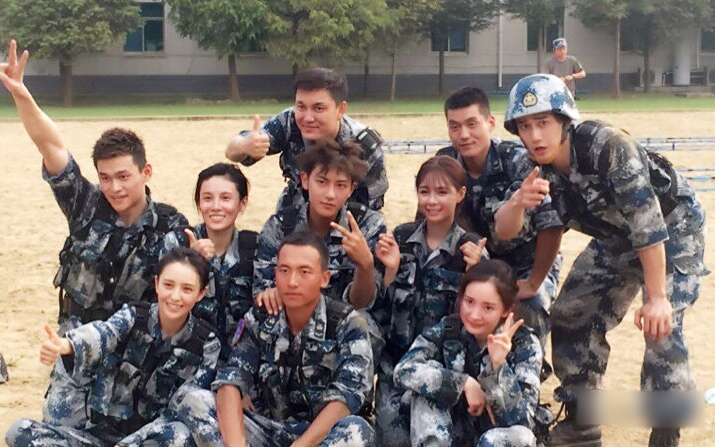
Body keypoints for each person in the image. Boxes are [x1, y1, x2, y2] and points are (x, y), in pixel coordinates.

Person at [497, 73, 708, 447]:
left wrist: (658, 298)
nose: (535, 135)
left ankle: (666, 430)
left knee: (661, 324)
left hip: (673, 229)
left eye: (543, 122)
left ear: (564, 120)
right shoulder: (537, 168)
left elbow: (647, 224)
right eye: (525, 126)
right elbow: (541, 228)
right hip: (616, 239)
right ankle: (583, 421)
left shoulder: (608, 146)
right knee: (571, 312)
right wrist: (532, 275)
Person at [0, 39, 188, 428]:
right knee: (57, 426)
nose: (114, 188)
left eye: (123, 176)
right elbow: (50, 144)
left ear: (146, 172)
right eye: (105, 177)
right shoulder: (85, 206)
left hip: (134, 350)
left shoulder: (171, 226)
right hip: (77, 343)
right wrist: (20, 93)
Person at [173, 231, 375, 447]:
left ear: (324, 278)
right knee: (196, 401)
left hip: (321, 436)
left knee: (356, 430)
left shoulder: (348, 324)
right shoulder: (260, 318)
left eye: (304, 272)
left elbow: (345, 399)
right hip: (269, 429)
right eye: (285, 271)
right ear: (275, 274)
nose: (293, 282)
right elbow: (231, 381)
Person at [5, 247, 220, 447]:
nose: (175, 296)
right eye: (168, 285)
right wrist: (68, 345)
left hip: (144, 441)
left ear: (201, 293)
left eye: (187, 289)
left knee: (179, 435)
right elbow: (104, 332)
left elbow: (176, 412)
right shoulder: (134, 316)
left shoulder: (207, 344)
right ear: (156, 284)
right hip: (97, 435)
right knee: (20, 431)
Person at [435, 86, 564, 357]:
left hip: (525, 264)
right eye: (454, 127)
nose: (463, 134)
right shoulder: (446, 162)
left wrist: (534, 281)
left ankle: (529, 372)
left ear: (490, 123)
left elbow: (551, 224)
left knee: (530, 306)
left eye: (472, 124)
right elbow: (431, 221)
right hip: (475, 263)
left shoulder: (518, 160)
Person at [373, 155, 488, 447]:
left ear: (460, 194)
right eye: (424, 192)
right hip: (397, 363)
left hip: (443, 366)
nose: (432, 200)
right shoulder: (400, 238)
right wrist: (390, 270)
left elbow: (484, 314)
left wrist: (476, 273)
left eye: (442, 192)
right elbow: (380, 308)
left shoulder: (471, 248)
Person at [393, 260, 542, 447]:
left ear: (507, 310)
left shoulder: (525, 345)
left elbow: (522, 423)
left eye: (488, 307)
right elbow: (403, 370)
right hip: (454, 435)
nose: (474, 315)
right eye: (469, 302)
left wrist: (498, 368)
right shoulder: (449, 329)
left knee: (511, 437)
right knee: (426, 382)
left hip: (494, 439)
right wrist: (461, 383)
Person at [225, 67, 388, 212]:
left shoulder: (365, 146)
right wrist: (244, 146)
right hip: (295, 211)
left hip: (346, 219)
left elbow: (372, 210)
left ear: (340, 110)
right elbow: (233, 150)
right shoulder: (289, 121)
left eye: (319, 108)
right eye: (301, 106)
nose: (308, 118)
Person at [252, 139, 386, 315]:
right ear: (305, 180)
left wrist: (365, 265)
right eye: (322, 182)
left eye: (340, 185)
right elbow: (262, 289)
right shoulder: (280, 226)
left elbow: (363, 304)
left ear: (351, 189)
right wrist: (269, 294)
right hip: (293, 316)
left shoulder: (368, 226)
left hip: (345, 323)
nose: (330, 194)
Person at [162, 163, 257, 361]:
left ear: (242, 203)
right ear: (198, 203)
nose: (215, 206)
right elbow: (163, 308)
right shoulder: (178, 242)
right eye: (207, 198)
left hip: (239, 360)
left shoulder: (255, 248)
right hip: (187, 356)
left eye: (225, 198)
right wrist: (190, 263)